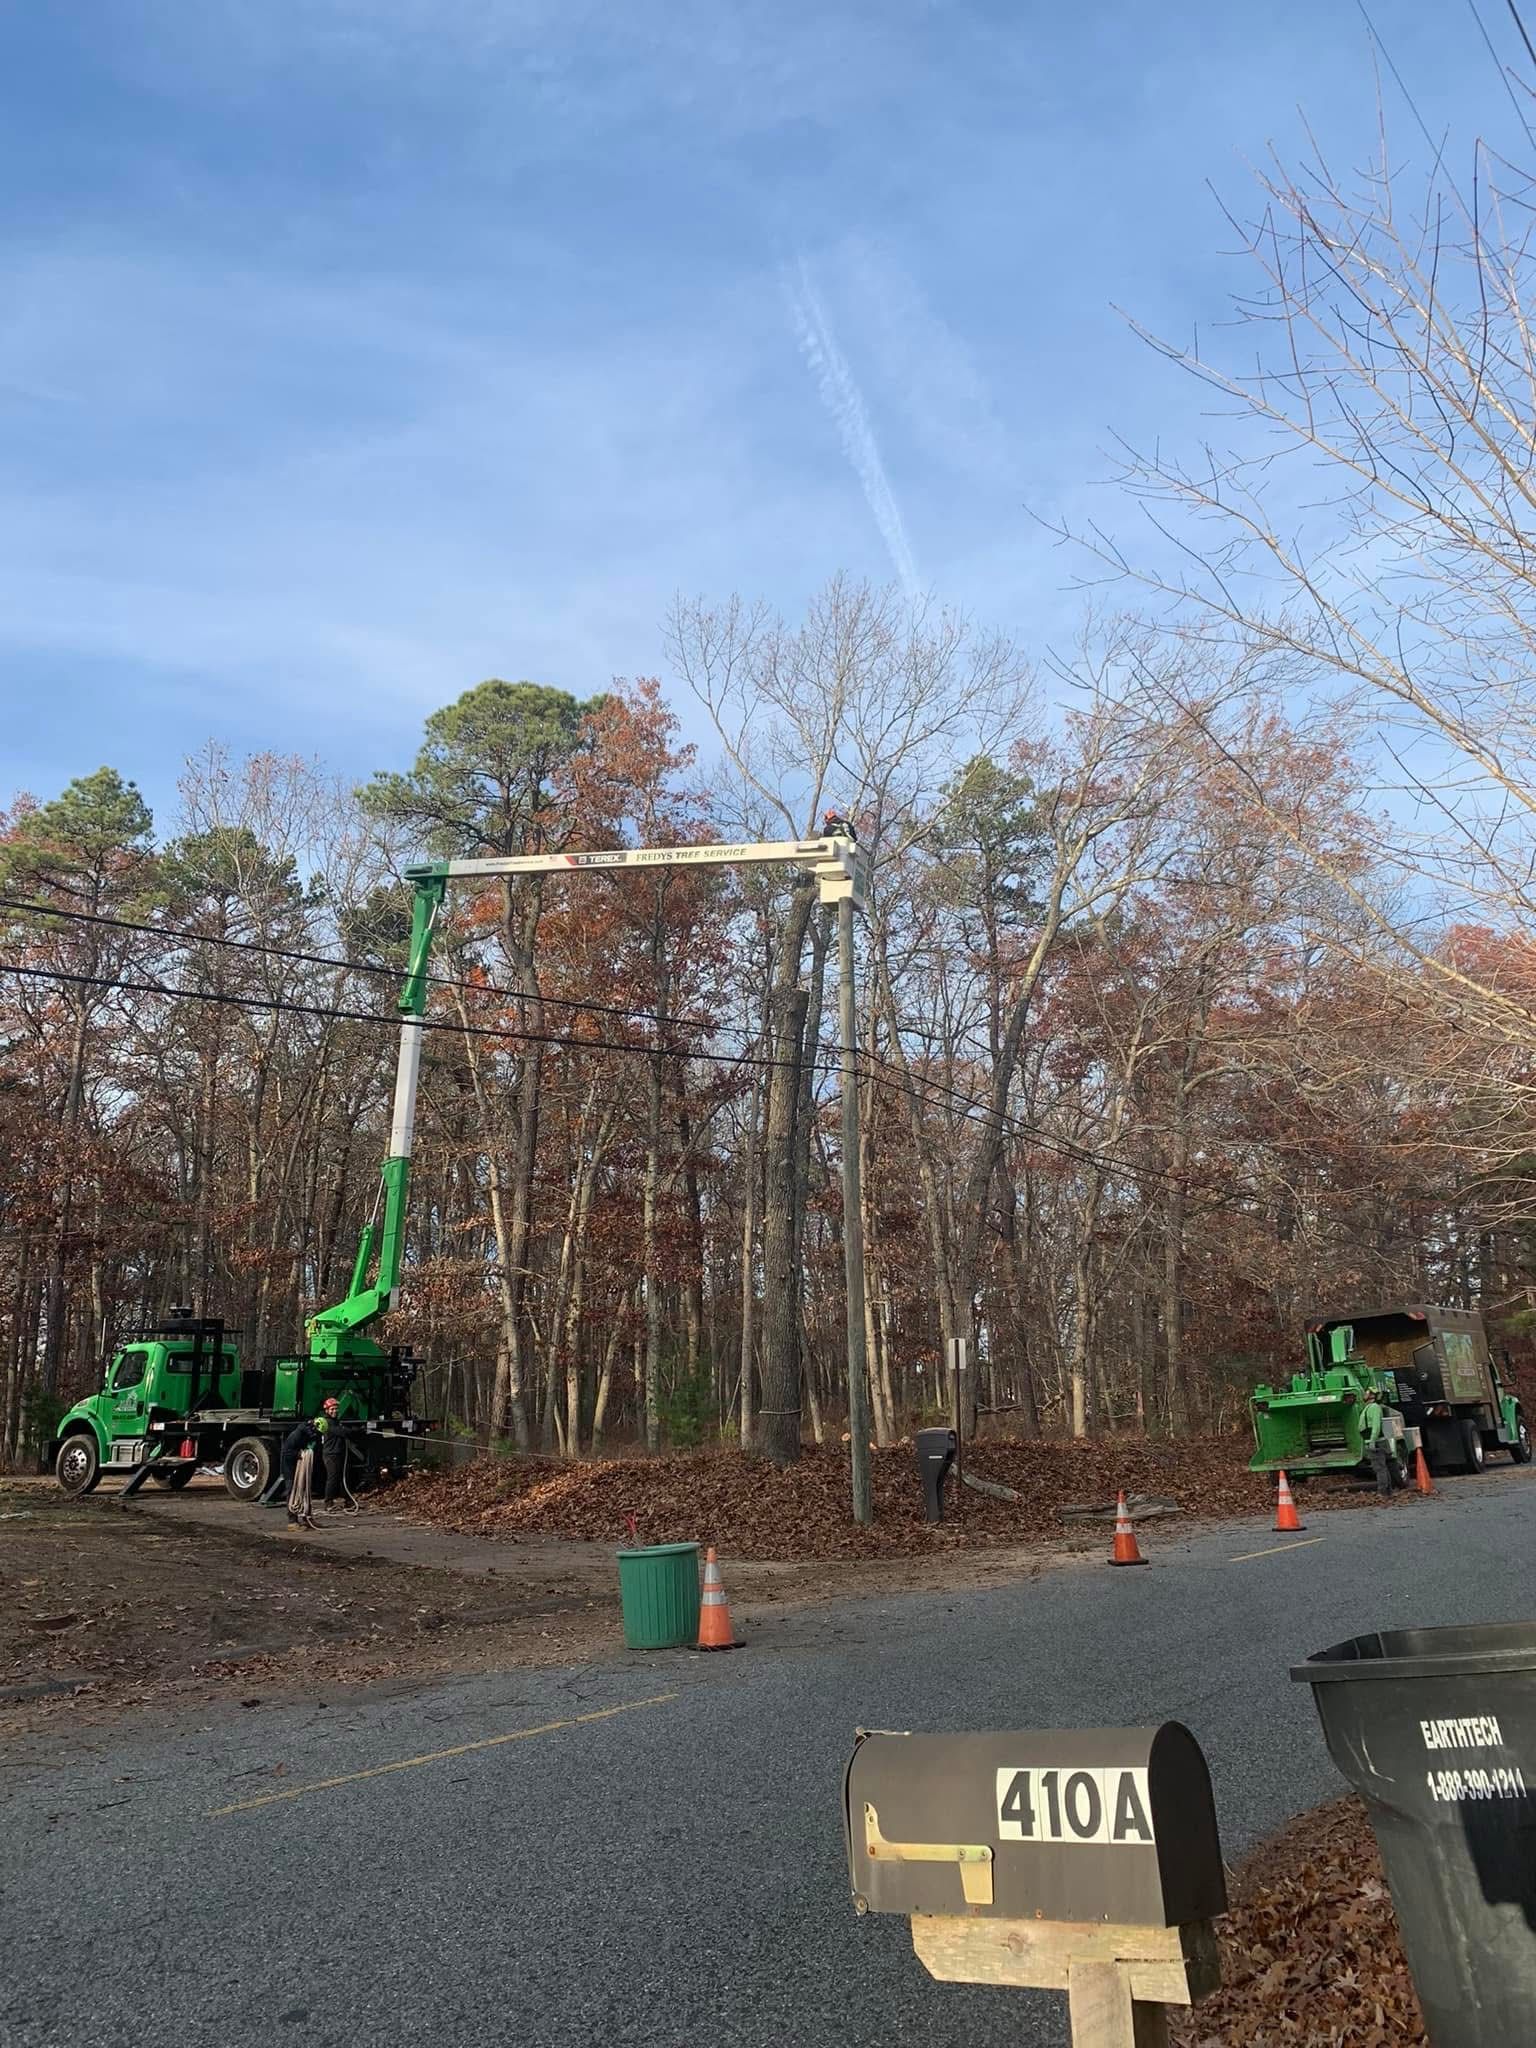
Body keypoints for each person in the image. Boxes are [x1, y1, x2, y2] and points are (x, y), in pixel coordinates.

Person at [260, 1413, 322, 1518]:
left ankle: (307, 1518)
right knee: (293, 1492)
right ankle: (292, 1520)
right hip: (289, 1468)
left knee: (305, 1492)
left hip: (299, 1466)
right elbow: (286, 1452)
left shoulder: (310, 1436)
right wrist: (299, 1454)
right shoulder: (297, 1435)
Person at [1360, 1391, 1399, 1496]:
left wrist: (1372, 1441)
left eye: (1366, 1393)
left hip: (1376, 1442)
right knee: (1383, 1467)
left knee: (1379, 1468)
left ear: (1371, 1396)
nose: (1364, 1394)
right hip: (1377, 1441)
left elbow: (1376, 1426)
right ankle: (1387, 1491)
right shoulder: (1371, 1407)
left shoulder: (1373, 1408)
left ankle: (1383, 1492)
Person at [319, 1396, 352, 1512]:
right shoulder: (327, 1423)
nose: (334, 1411)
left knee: (344, 1477)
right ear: (327, 1410)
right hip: (331, 1454)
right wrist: (358, 1431)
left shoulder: (335, 1421)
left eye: (336, 1409)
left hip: (338, 1452)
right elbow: (342, 1432)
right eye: (332, 1409)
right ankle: (328, 1503)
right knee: (332, 1478)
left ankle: (348, 1501)